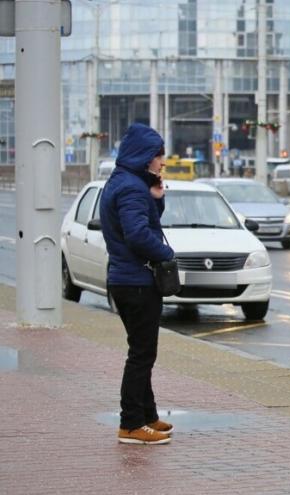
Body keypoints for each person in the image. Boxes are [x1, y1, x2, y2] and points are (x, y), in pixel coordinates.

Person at [99, 123, 175, 445]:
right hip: (136, 282)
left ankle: (146, 414)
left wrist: (155, 198)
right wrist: (167, 253)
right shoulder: (130, 188)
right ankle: (130, 423)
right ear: (145, 156)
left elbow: (141, 221)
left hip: (127, 279)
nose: (161, 163)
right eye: (159, 156)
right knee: (142, 355)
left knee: (141, 352)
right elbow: (138, 235)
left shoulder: (124, 183)